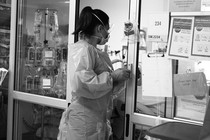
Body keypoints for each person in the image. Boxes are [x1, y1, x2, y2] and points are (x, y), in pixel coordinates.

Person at [57, 6, 131, 140]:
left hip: (94, 118)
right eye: (107, 29)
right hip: (83, 121)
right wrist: (112, 77)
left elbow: (100, 88)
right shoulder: (83, 50)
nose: (107, 34)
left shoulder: (94, 51)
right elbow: (82, 84)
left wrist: (118, 79)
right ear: (99, 28)